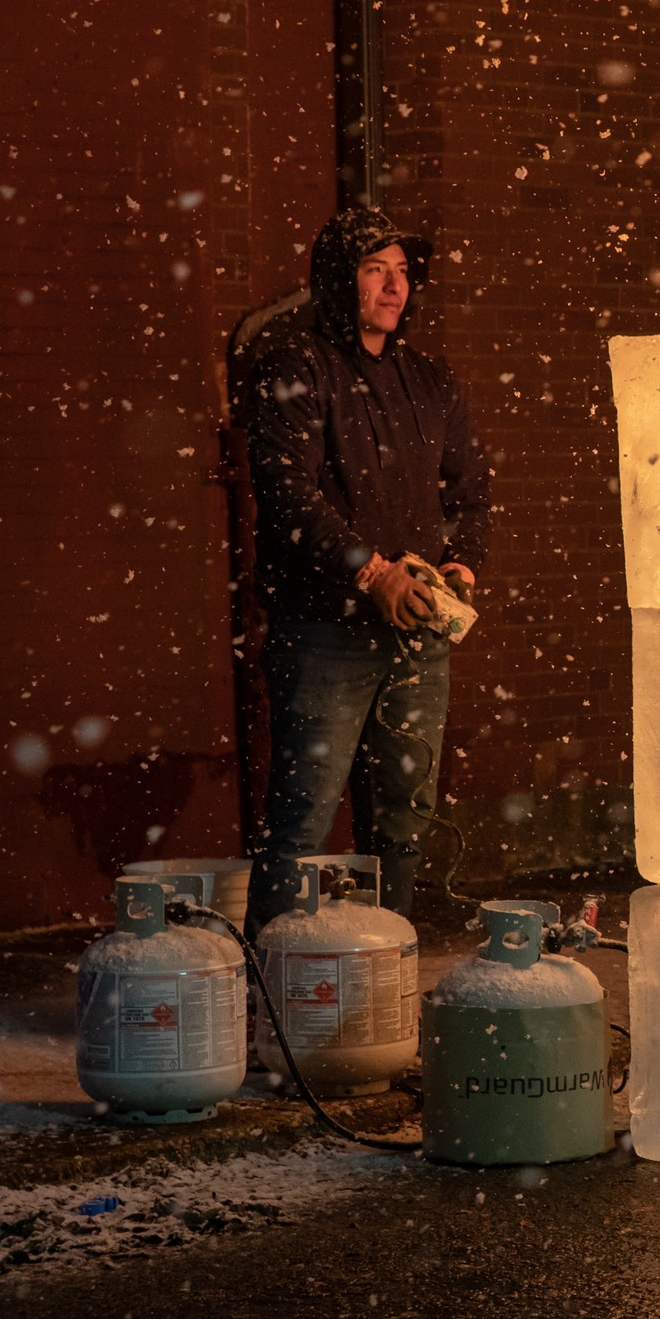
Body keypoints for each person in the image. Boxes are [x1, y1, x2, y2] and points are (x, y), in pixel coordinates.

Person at [243, 207, 490, 935]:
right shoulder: (293, 367)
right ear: (337, 278)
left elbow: (472, 491)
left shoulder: (429, 380)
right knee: (301, 826)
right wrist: (370, 571)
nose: (394, 287)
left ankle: (385, 998)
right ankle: (278, 1015)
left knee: (401, 829)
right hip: (325, 634)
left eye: (403, 272)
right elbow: (287, 489)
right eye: (374, 269)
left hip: (417, 637)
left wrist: (461, 568)